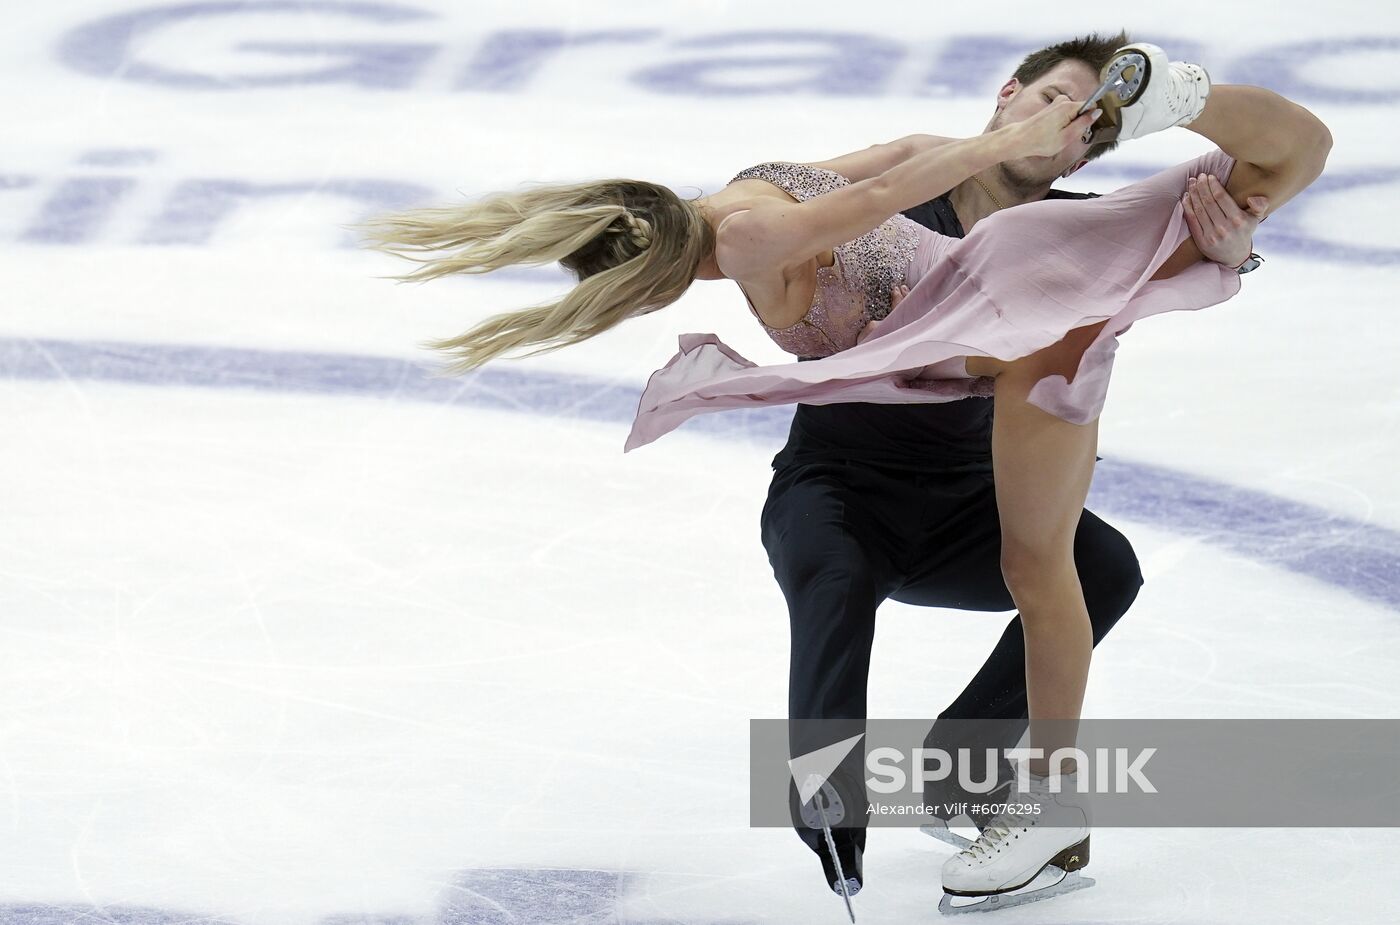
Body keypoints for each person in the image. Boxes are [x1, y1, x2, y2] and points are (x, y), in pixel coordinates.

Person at [360, 37, 1330, 908]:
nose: (1065, 127)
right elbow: (804, 210)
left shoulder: (1066, 241)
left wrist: (1229, 261)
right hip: (840, 489)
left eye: (1087, 127)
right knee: (832, 581)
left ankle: (964, 767)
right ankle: (831, 806)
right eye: (1055, 100)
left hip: (967, 502)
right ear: (1004, 96)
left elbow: (1258, 183)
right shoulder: (901, 173)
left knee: (1097, 566)